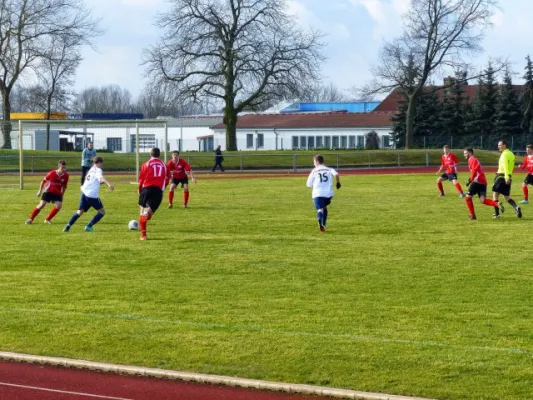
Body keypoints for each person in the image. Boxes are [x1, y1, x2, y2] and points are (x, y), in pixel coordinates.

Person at [63, 156, 114, 232]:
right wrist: (109, 184)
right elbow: (101, 178)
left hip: (84, 193)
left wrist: (101, 183)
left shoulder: (91, 169)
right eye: (101, 163)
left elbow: (95, 181)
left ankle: (68, 226)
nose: (102, 165)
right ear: (99, 162)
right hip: (92, 196)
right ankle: (89, 226)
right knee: (102, 212)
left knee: (79, 212)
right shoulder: (98, 170)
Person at [463, 148, 504, 220]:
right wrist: (469, 180)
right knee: (483, 200)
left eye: (466, 153)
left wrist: (471, 180)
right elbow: (475, 170)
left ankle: (473, 216)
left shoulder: (472, 159)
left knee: (467, 198)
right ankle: (496, 204)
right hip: (482, 183)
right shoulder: (474, 160)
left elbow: (475, 171)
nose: (464, 155)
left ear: (470, 153)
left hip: (477, 181)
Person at [25, 160, 69, 224]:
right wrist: (39, 191)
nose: (64, 169)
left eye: (65, 168)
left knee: (59, 205)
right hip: (48, 191)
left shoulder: (66, 175)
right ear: (59, 167)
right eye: (62, 168)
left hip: (57, 192)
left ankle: (47, 219)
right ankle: (30, 219)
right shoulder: (52, 173)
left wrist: (62, 194)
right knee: (42, 205)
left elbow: (64, 186)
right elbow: (43, 181)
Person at [138, 147, 168, 240]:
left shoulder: (146, 164)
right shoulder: (164, 165)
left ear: (150, 154)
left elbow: (141, 178)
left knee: (142, 211)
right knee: (149, 213)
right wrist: (163, 188)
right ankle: (148, 214)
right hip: (158, 191)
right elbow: (167, 179)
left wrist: (139, 189)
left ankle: (143, 236)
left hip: (146, 189)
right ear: (159, 155)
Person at [306, 154, 341, 232]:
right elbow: (336, 174)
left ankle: (319, 219)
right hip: (328, 194)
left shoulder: (314, 171)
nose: (313, 164)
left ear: (317, 162)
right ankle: (323, 225)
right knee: (324, 207)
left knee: (320, 209)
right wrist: (338, 183)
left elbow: (308, 185)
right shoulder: (329, 169)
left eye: (314, 162)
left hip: (317, 193)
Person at [492, 140, 522, 218]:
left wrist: (506, 177)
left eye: (500, 145)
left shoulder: (504, 154)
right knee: (507, 197)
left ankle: (497, 214)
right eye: (498, 145)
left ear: (504, 145)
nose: (498, 146)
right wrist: (508, 176)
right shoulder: (511, 154)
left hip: (501, 177)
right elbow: (510, 166)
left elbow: (505, 165)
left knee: (495, 195)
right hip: (508, 176)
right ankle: (516, 207)